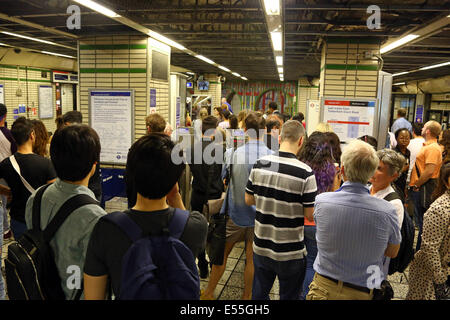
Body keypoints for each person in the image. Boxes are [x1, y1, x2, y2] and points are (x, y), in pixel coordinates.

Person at [83, 133, 208, 299]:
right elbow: (185, 218)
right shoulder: (196, 225)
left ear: (130, 176)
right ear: (175, 181)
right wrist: (175, 195)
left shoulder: (107, 229)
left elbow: (93, 296)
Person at [306, 139, 401, 300]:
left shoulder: (322, 201)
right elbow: (392, 252)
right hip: (363, 291)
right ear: (371, 173)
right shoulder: (388, 210)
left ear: (342, 170)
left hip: (323, 289)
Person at [25, 124, 106, 299]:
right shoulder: (95, 217)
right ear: (93, 165)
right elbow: (96, 276)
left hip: (38, 291)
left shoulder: (36, 197)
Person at [201, 111, 273, 300]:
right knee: (251, 259)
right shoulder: (273, 156)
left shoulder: (233, 153)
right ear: (264, 130)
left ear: (244, 130)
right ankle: (246, 297)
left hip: (235, 214)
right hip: (260, 218)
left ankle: (208, 293)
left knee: (222, 256)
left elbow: (224, 177)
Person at [245, 120, 317, 300]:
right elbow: (309, 214)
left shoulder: (260, 164)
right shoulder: (306, 173)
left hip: (261, 245)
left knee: (259, 294)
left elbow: (248, 199)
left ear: (279, 138)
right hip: (290, 251)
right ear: (301, 141)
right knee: (289, 296)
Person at [298, 131, 339, 299]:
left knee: (299, 261)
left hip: (299, 221)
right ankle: (305, 295)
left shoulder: (299, 166)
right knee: (311, 262)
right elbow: (334, 195)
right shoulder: (332, 169)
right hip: (319, 223)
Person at [0, 117, 56, 239]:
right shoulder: (45, 164)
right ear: (32, 135)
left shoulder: (6, 164)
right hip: (41, 220)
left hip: (18, 219)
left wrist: (6, 191)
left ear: (14, 138)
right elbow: (55, 193)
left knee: (23, 255)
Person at [188, 115, 225, 278]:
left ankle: (202, 264)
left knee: (198, 230)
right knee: (215, 231)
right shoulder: (220, 150)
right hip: (215, 197)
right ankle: (213, 262)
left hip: (197, 195)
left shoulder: (191, 149)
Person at [406, 163, 450, 300]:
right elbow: (429, 248)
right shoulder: (441, 209)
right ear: (446, 183)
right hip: (432, 276)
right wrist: (440, 282)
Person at [409, 120, 442, 251]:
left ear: (428, 131)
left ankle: (420, 252)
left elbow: (429, 171)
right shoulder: (427, 146)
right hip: (421, 187)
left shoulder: (433, 148)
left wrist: (417, 184)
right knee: (420, 221)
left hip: (423, 189)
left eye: (424, 127)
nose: (421, 128)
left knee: (422, 223)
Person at [60, 111, 103, 204]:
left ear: (68, 124)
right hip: (93, 187)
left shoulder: (72, 142)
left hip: (83, 189)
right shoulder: (91, 137)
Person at [0, 103, 17, 241]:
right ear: (5, 116)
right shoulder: (8, 134)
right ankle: (6, 230)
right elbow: (15, 152)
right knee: (4, 202)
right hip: (6, 171)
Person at [393, 128, 411, 201]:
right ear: (396, 139)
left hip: (403, 184)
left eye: (407, 138)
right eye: (401, 138)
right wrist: (403, 169)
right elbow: (391, 172)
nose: (404, 140)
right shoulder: (394, 153)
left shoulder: (408, 152)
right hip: (394, 185)